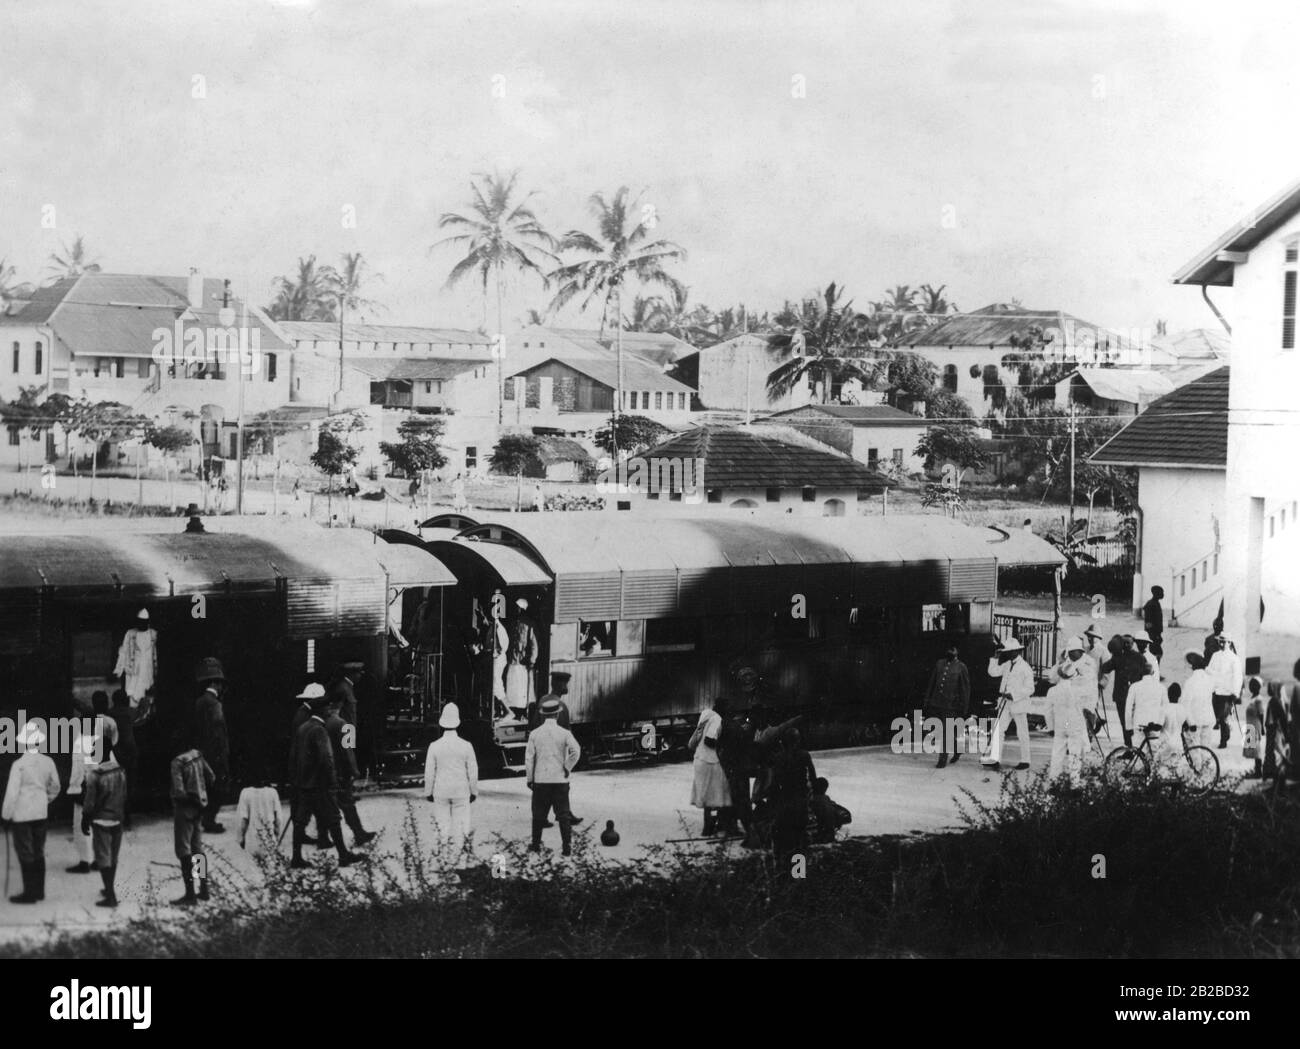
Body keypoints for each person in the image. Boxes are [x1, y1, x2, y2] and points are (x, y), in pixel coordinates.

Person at [289, 689, 360, 869]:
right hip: (321, 784)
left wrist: (297, 779)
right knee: (334, 818)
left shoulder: (302, 727)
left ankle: (296, 857)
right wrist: (336, 779)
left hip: (304, 783)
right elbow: (328, 757)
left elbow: (294, 756)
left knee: (300, 821)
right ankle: (344, 854)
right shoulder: (328, 728)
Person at [2, 723, 61, 904]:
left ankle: (29, 893)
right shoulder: (48, 762)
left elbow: (12, 793)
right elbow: (56, 786)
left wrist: (6, 815)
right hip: (40, 812)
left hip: (22, 814)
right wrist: (46, 799)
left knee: (25, 852)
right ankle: (39, 891)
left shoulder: (18, 765)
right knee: (38, 851)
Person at [423, 702, 479, 865]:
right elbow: (473, 771)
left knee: (442, 825)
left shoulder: (434, 746)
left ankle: (441, 859)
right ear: (458, 722)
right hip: (461, 791)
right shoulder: (466, 746)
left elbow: (429, 772)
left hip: (441, 791)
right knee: (461, 825)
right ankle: (461, 861)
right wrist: (473, 791)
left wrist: (428, 792)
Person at [525, 698, 581, 855]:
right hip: (559, 780)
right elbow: (576, 751)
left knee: (538, 815)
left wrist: (530, 779)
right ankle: (566, 848)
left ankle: (536, 845)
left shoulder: (535, 734)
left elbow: (529, 759)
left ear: (543, 716)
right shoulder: (565, 733)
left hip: (541, 780)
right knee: (563, 815)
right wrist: (567, 767)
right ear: (557, 715)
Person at [81, 721, 126, 908]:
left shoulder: (96, 774)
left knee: (103, 858)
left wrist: (85, 818)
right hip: (117, 818)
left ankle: (111, 895)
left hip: (101, 819)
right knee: (113, 858)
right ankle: (200, 887)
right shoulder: (121, 771)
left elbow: (90, 802)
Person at [169, 737, 216, 906]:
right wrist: (202, 797)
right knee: (198, 849)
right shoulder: (197, 755)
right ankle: (204, 889)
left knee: (183, 850)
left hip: (185, 809)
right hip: (200, 808)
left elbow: (179, 791)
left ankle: (190, 894)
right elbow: (211, 777)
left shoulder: (177, 762)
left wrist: (189, 799)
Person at [325, 696, 375, 847]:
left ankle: (323, 836)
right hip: (342, 771)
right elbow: (348, 750)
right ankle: (358, 833)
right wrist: (354, 769)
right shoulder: (343, 724)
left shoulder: (323, 722)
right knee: (347, 803)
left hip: (328, 769)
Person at [1046, 637, 1095, 784]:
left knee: (1062, 751)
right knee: (1074, 751)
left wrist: (1050, 727)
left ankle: (1056, 780)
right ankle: (1074, 781)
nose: (1071, 654)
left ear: (1080, 651)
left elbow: (1048, 710)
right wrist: (1060, 662)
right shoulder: (1075, 684)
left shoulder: (1088, 663)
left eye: (1074, 652)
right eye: (1070, 652)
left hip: (1069, 718)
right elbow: (1052, 678)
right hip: (1074, 719)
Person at [981, 637, 1034, 771]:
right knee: (999, 730)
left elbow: (1030, 688)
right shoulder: (1006, 664)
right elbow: (992, 672)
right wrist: (995, 657)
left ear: (1017, 651)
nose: (1008, 653)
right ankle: (994, 759)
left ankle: (1025, 760)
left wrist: (1015, 694)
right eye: (1007, 651)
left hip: (1019, 703)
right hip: (1005, 703)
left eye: (1010, 651)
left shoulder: (1025, 667)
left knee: (1022, 732)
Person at [768, 728, 816, 868]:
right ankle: (798, 873)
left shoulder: (778, 757)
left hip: (784, 800)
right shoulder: (804, 755)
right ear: (797, 740)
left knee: (781, 836)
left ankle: (781, 870)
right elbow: (813, 778)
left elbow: (774, 784)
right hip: (800, 800)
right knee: (799, 838)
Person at [193, 658, 230, 833]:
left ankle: (204, 818)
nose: (222, 687)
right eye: (220, 684)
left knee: (206, 787)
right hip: (215, 754)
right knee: (218, 787)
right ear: (215, 683)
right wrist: (222, 754)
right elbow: (218, 733)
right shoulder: (215, 704)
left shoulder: (200, 702)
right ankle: (209, 820)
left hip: (203, 751)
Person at [689, 698, 733, 835]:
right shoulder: (717, 719)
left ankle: (708, 827)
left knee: (708, 796)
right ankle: (714, 826)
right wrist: (724, 747)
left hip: (699, 758)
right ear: (723, 708)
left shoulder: (705, 714)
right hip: (710, 760)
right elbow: (709, 740)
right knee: (719, 793)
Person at [922, 644, 970, 768]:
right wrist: (927, 699)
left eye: (953, 649)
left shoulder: (961, 667)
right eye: (948, 649)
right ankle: (957, 749)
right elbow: (932, 682)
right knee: (942, 731)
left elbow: (965, 688)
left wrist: (964, 706)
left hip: (951, 705)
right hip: (937, 703)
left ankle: (942, 760)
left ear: (957, 652)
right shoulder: (939, 663)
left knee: (946, 731)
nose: (950, 651)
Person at [1101, 634, 1147, 747]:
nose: (1127, 645)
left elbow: (1104, 668)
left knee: (1125, 723)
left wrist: (1114, 654)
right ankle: (1135, 746)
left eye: (1128, 642)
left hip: (1122, 695)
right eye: (1125, 643)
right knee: (1134, 721)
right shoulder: (1140, 657)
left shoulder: (1118, 657)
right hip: (1134, 696)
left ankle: (1129, 746)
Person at [113, 608, 158, 710]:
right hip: (134, 672)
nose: (142, 624)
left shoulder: (154, 634)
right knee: (133, 696)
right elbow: (123, 651)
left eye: (145, 622)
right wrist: (119, 669)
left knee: (149, 697)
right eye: (140, 622)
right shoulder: (130, 634)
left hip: (148, 671)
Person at [1207, 634, 1244, 750]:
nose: (1222, 644)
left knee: (1223, 718)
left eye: (1225, 642)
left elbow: (1238, 677)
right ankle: (1226, 729)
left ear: (1230, 643)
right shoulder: (1215, 656)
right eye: (1220, 642)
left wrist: (1235, 693)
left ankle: (1224, 740)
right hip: (1216, 691)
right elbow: (1210, 671)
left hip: (1227, 693)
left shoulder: (1234, 658)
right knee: (1216, 717)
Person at [107, 690, 137, 827]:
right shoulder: (130, 712)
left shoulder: (110, 713)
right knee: (129, 785)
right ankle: (128, 816)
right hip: (131, 751)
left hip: (116, 751)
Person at [236, 774, 283, 859]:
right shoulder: (273, 792)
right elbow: (278, 820)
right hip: (269, 839)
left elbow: (244, 819)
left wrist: (241, 837)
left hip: (252, 841)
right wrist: (277, 836)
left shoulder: (245, 793)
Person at [505, 599, 538, 711]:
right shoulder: (513, 622)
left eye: (518, 607)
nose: (516, 609)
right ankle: (512, 709)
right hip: (512, 659)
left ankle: (522, 711)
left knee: (522, 688)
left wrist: (532, 659)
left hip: (523, 661)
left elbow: (534, 644)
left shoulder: (529, 624)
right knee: (512, 686)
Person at [1128, 659, 1166, 754]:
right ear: (1153, 672)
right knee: (1155, 753)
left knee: (1138, 752)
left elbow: (1128, 708)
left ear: (1141, 672)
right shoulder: (1161, 687)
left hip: (1139, 723)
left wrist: (1128, 727)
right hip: (1155, 724)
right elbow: (1165, 708)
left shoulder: (1134, 686)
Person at [1180, 652, 1217, 749]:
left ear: (1191, 665)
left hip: (1194, 721)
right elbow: (1217, 679)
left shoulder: (1189, 682)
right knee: (1207, 749)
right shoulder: (1210, 680)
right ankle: (1206, 764)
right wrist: (1206, 669)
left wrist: (1189, 722)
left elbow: (1185, 705)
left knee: (1194, 750)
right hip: (1208, 719)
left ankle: (1199, 765)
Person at [810, 776, 851, 844]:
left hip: (820, 833)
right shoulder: (827, 800)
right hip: (828, 833)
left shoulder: (811, 800)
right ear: (825, 789)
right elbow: (846, 816)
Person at [1244, 677, 1265, 777]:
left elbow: (1261, 714)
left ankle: (1258, 772)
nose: (1250, 687)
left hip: (1255, 726)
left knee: (1256, 749)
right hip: (1250, 726)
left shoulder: (1258, 700)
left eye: (1253, 685)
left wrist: (1263, 729)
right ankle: (1256, 769)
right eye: (1250, 685)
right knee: (1252, 749)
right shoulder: (1253, 698)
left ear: (1258, 687)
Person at [1142, 586, 1166, 661]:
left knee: (1157, 653)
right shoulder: (1151, 604)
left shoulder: (1156, 603)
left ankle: (1156, 670)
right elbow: (1148, 622)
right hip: (1153, 635)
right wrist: (1154, 636)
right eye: (1161, 592)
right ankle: (1155, 671)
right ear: (1156, 593)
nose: (1163, 594)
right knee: (1155, 654)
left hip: (1156, 634)